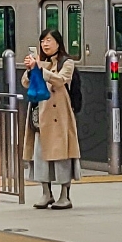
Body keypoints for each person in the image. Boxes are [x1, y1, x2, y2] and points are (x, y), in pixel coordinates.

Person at [23, 27, 79, 210]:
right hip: (40, 116)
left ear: (58, 43)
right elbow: (25, 83)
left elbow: (60, 80)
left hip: (59, 116)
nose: (45, 44)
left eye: (49, 40)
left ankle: (65, 195)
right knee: (40, 155)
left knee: (62, 155)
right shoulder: (39, 61)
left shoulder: (67, 62)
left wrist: (40, 69)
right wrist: (30, 70)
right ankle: (46, 193)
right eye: (42, 41)